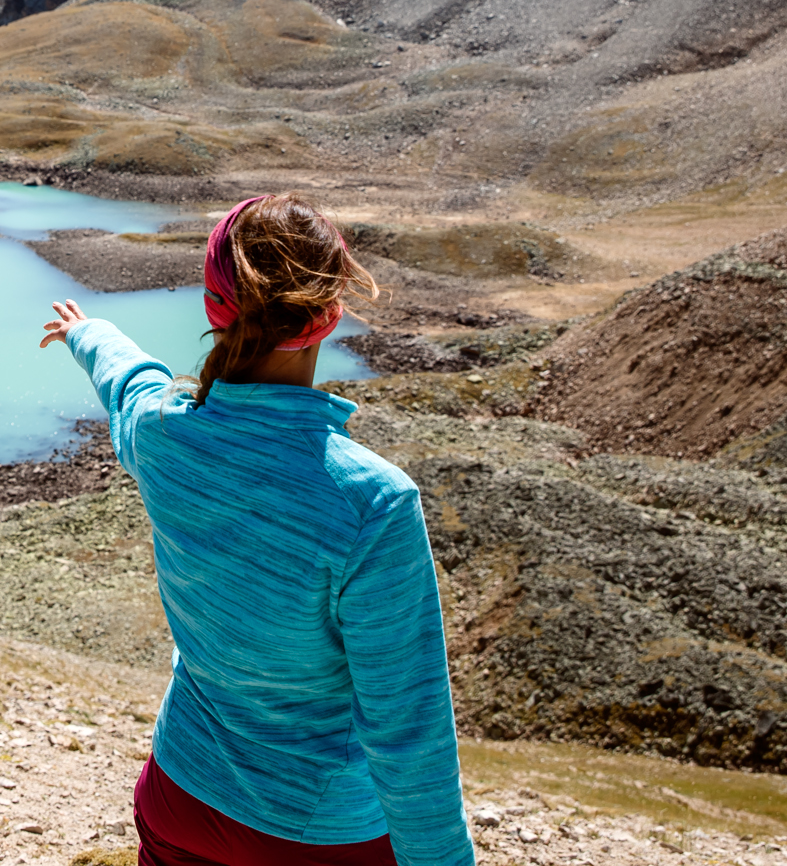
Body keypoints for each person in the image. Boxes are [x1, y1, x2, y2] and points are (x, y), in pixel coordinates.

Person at [39, 192, 473, 866]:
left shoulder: (162, 436)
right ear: (328, 316)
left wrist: (85, 331)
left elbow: (129, 382)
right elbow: (408, 732)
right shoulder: (374, 503)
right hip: (314, 831)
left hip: (180, 792)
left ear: (215, 309)